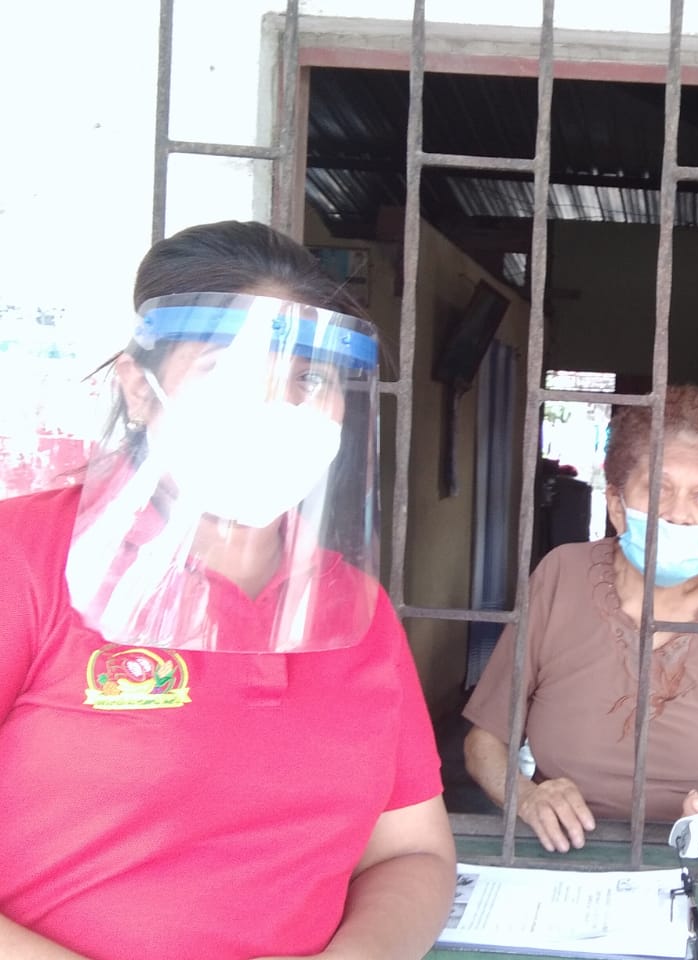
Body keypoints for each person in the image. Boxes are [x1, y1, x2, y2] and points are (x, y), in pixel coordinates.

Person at [0, 221, 456, 960]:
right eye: (228, 371)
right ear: (139, 390)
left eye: (309, 379)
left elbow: (412, 851)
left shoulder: (356, 610)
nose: (276, 407)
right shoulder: (24, 558)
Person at [463, 384, 698, 852]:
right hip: (565, 849)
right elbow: (484, 742)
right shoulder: (561, 575)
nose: (677, 515)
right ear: (617, 505)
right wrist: (528, 797)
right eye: (658, 489)